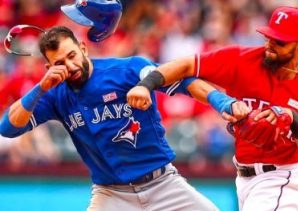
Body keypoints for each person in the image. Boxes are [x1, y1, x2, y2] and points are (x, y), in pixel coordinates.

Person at [0, 24, 251, 210]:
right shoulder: (55, 93)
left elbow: (185, 81)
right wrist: (41, 87)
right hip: (111, 195)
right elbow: (8, 128)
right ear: (49, 67)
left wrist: (222, 101)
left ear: (83, 48)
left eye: (72, 55)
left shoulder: (126, 70)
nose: (70, 65)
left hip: (163, 185)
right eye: (59, 63)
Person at [127, 6, 298, 211]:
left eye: (280, 41)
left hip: (282, 178)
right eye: (269, 36)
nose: (270, 45)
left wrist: (293, 118)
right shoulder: (243, 60)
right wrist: (145, 85)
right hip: (244, 178)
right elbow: (186, 66)